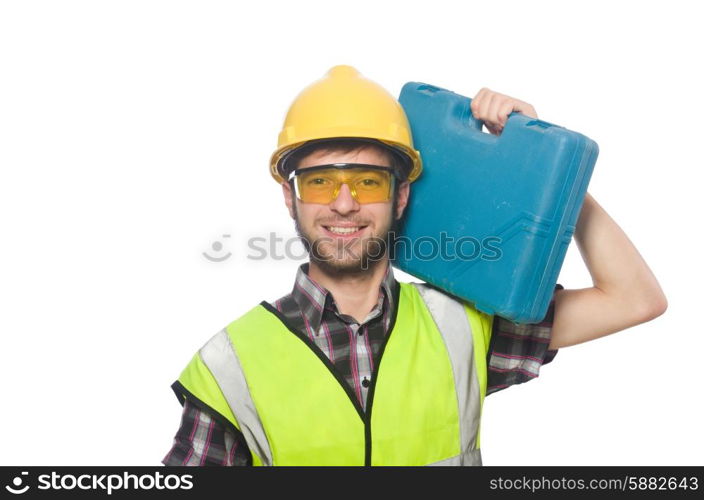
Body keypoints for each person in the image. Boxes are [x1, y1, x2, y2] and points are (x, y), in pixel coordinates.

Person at [162, 65, 667, 466]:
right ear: (289, 198)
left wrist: (549, 165)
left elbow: (634, 299)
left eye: (368, 182)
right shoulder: (228, 365)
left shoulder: (464, 326)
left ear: (401, 195)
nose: (343, 204)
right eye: (319, 183)